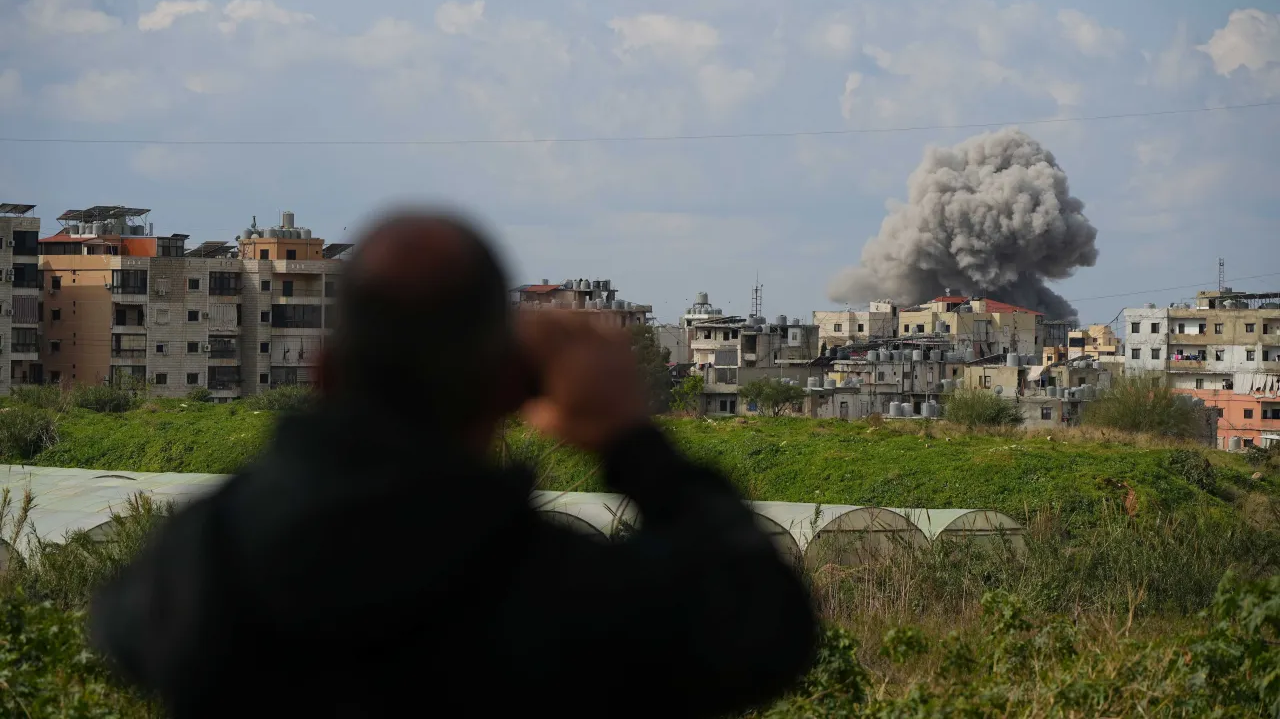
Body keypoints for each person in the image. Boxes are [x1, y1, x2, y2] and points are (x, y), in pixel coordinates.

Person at [89, 209, 817, 718]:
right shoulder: (568, 592)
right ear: (508, 386)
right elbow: (767, 628)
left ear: (325, 371)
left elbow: (121, 631)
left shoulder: (206, 562)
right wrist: (629, 439)